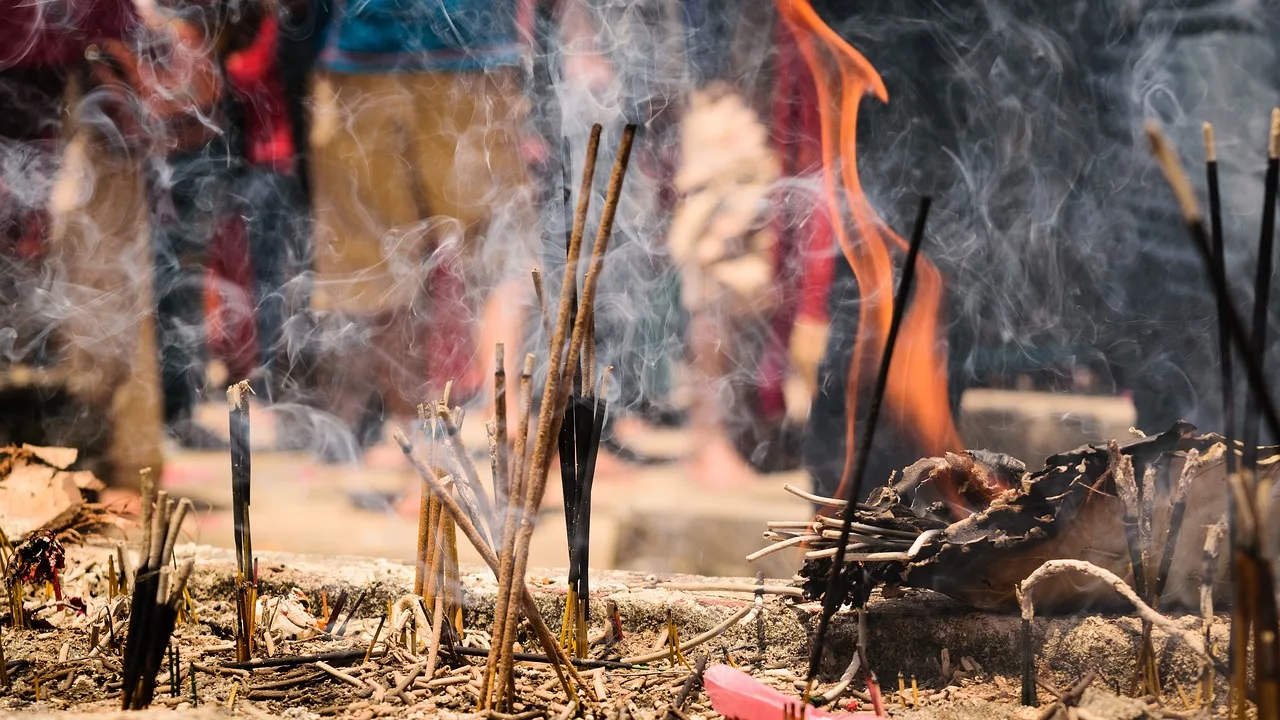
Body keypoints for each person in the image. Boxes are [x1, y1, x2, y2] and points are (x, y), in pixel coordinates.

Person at [799, 0, 1280, 501]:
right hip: (948, 16)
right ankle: (869, 550)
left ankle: (1216, 548)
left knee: (1224, 236)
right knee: (904, 248)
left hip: (1187, 11)